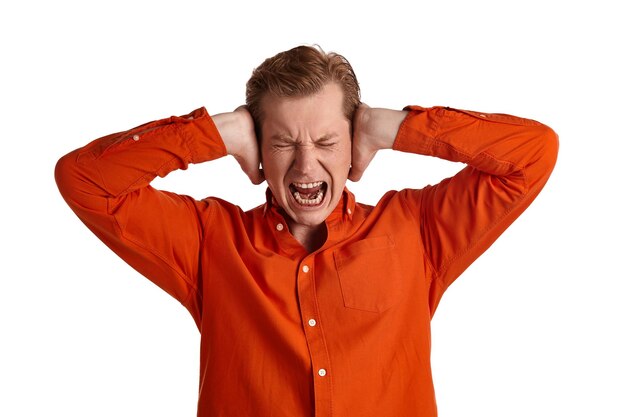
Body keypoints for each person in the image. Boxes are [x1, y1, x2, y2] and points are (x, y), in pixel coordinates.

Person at [55, 45, 558, 417]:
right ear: (256, 147)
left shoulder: (417, 230)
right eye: (282, 143)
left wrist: (395, 127)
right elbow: (84, 180)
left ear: (354, 142)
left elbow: (533, 153)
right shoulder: (210, 242)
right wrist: (215, 133)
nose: (306, 165)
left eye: (325, 140)